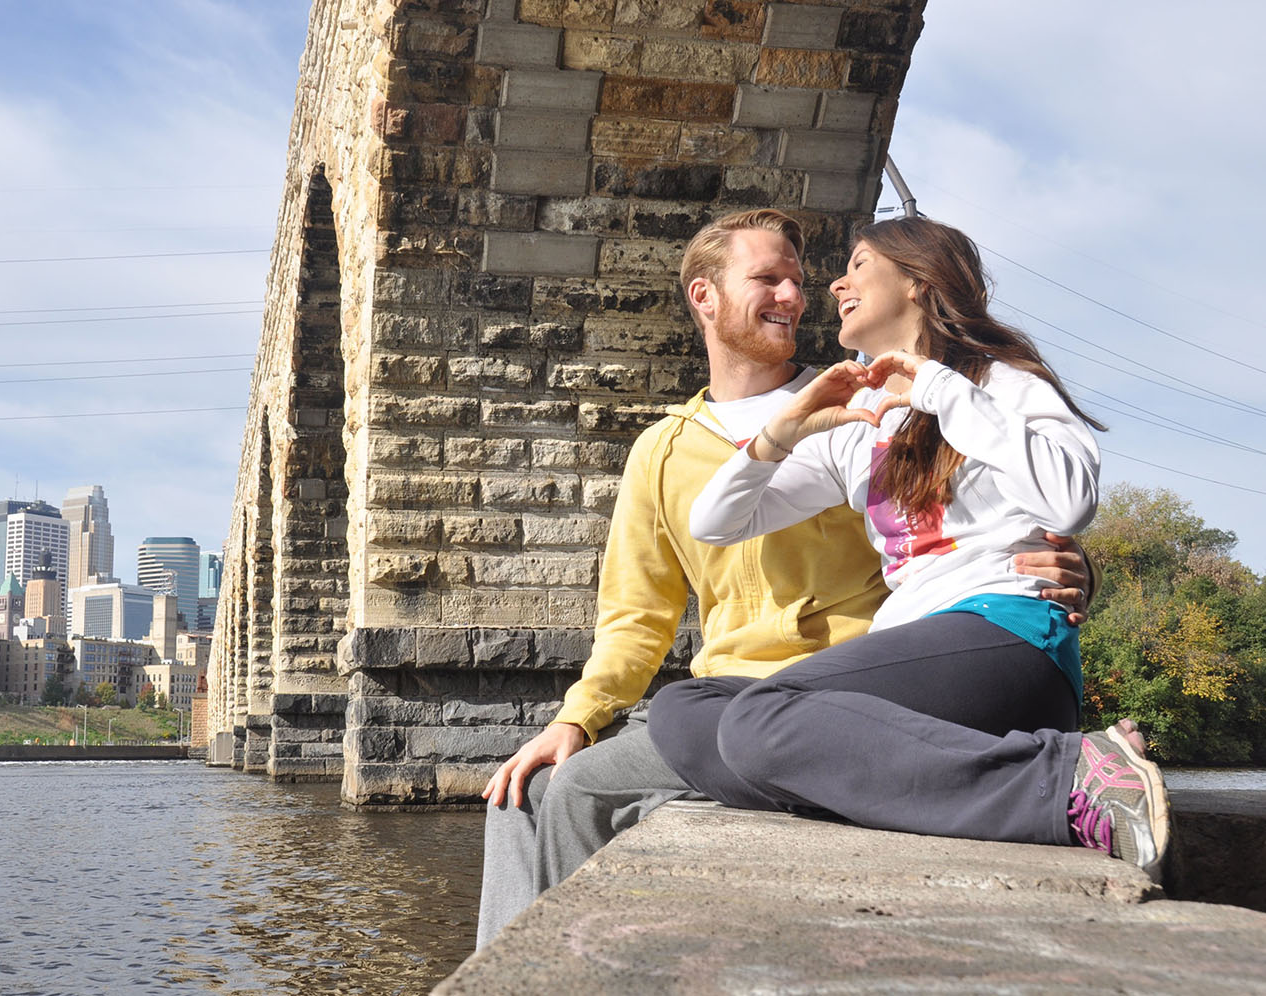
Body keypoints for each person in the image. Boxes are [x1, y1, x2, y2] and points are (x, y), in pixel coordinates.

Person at [475, 209, 1098, 948]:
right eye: (768, 279)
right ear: (703, 296)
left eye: (800, 280)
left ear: (918, 286)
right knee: (533, 788)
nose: (801, 294)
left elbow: (1030, 513)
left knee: (613, 778)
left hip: (880, 674)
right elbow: (644, 606)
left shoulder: (903, 397)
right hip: (740, 697)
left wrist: (1077, 565)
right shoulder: (705, 443)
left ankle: (1063, 786)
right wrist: (574, 718)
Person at [646, 216, 1167, 881]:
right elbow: (716, 521)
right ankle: (892, 790)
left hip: (1008, 640)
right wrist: (783, 428)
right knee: (685, 711)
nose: (835, 283)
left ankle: (1068, 779)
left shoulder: (1004, 386)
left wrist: (939, 389)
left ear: (918, 282)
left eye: (859, 265)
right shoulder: (859, 425)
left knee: (759, 719)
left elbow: (1070, 500)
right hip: (914, 669)